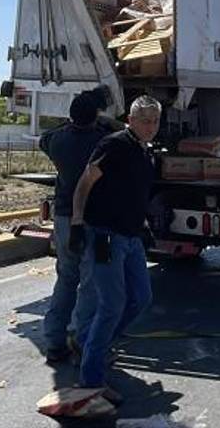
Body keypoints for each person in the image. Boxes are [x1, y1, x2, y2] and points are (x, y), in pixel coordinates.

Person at [69, 95, 160, 399]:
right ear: (130, 120)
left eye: (155, 120)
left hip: (131, 237)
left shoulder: (145, 153)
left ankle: (94, 343)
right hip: (105, 235)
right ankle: (91, 380)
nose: (150, 126)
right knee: (111, 305)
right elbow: (86, 182)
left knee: (141, 298)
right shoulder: (114, 144)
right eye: (144, 120)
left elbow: (134, 193)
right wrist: (78, 222)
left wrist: (144, 225)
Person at [39, 91, 112, 363]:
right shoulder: (102, 143)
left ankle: (55, 341)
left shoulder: (56, 140)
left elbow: (46, 137)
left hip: (63, 218)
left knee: (66, 278)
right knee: (91, 283)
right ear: (96, 116)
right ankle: (82, 340)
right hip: (92, 219)